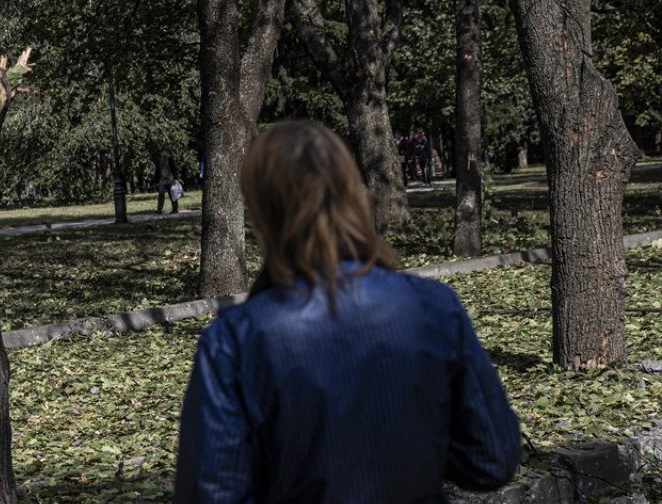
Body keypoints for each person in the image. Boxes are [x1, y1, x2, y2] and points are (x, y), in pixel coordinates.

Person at [174, 120, 520, 502]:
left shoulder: (234, 341)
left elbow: (211, 492)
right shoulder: (435, 307)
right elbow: (491, 459)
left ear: (261, 213)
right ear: (352, 193)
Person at [155, 150, 178, 214]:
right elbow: (157, 171)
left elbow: (174, 169)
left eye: (165, 152)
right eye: (162, 153)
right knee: (161, 194)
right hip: (162, 180)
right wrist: (156, 181)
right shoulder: (159, 160)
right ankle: (159, 209)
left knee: (172, 194)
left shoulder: (170, 159)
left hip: (170, 180)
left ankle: (175, 209)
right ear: (161, 154)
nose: (164, 154)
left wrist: (175, 178)